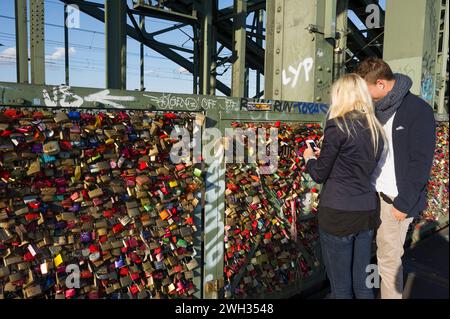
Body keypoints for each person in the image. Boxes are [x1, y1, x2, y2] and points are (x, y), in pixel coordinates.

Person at [356, 58, 436, 299]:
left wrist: (403, 204)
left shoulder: (418, 111)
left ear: (381, 84)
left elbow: (420, 163)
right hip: (370, 196)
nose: (364, 96)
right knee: (372, 255)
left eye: (366, 90)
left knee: (389, 262)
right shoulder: (376, 109)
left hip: (393, 202)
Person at [303, 73, 386, 299]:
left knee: (341, 289)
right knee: (362, 284)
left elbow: (320, 174)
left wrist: (309, 158)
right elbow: (357, 162)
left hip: (338, 212)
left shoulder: (337, 125)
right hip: (366, 211)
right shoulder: (376, 128)